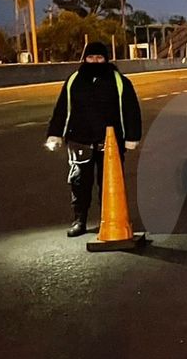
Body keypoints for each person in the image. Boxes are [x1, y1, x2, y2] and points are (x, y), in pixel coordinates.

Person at [45, 42, 143, 237]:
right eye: (91, 58)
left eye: (99, 58)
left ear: (106, 59)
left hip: (111, 144)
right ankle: (79, 220)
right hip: (79, 141)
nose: (95, 61)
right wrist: (55, 133)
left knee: (109, 184)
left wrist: (132, 137)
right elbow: (62, 109)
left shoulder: (119, 81)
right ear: (84, 59)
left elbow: (131, 111)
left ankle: (108, 219)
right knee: (79, 183)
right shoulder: (74, 80)